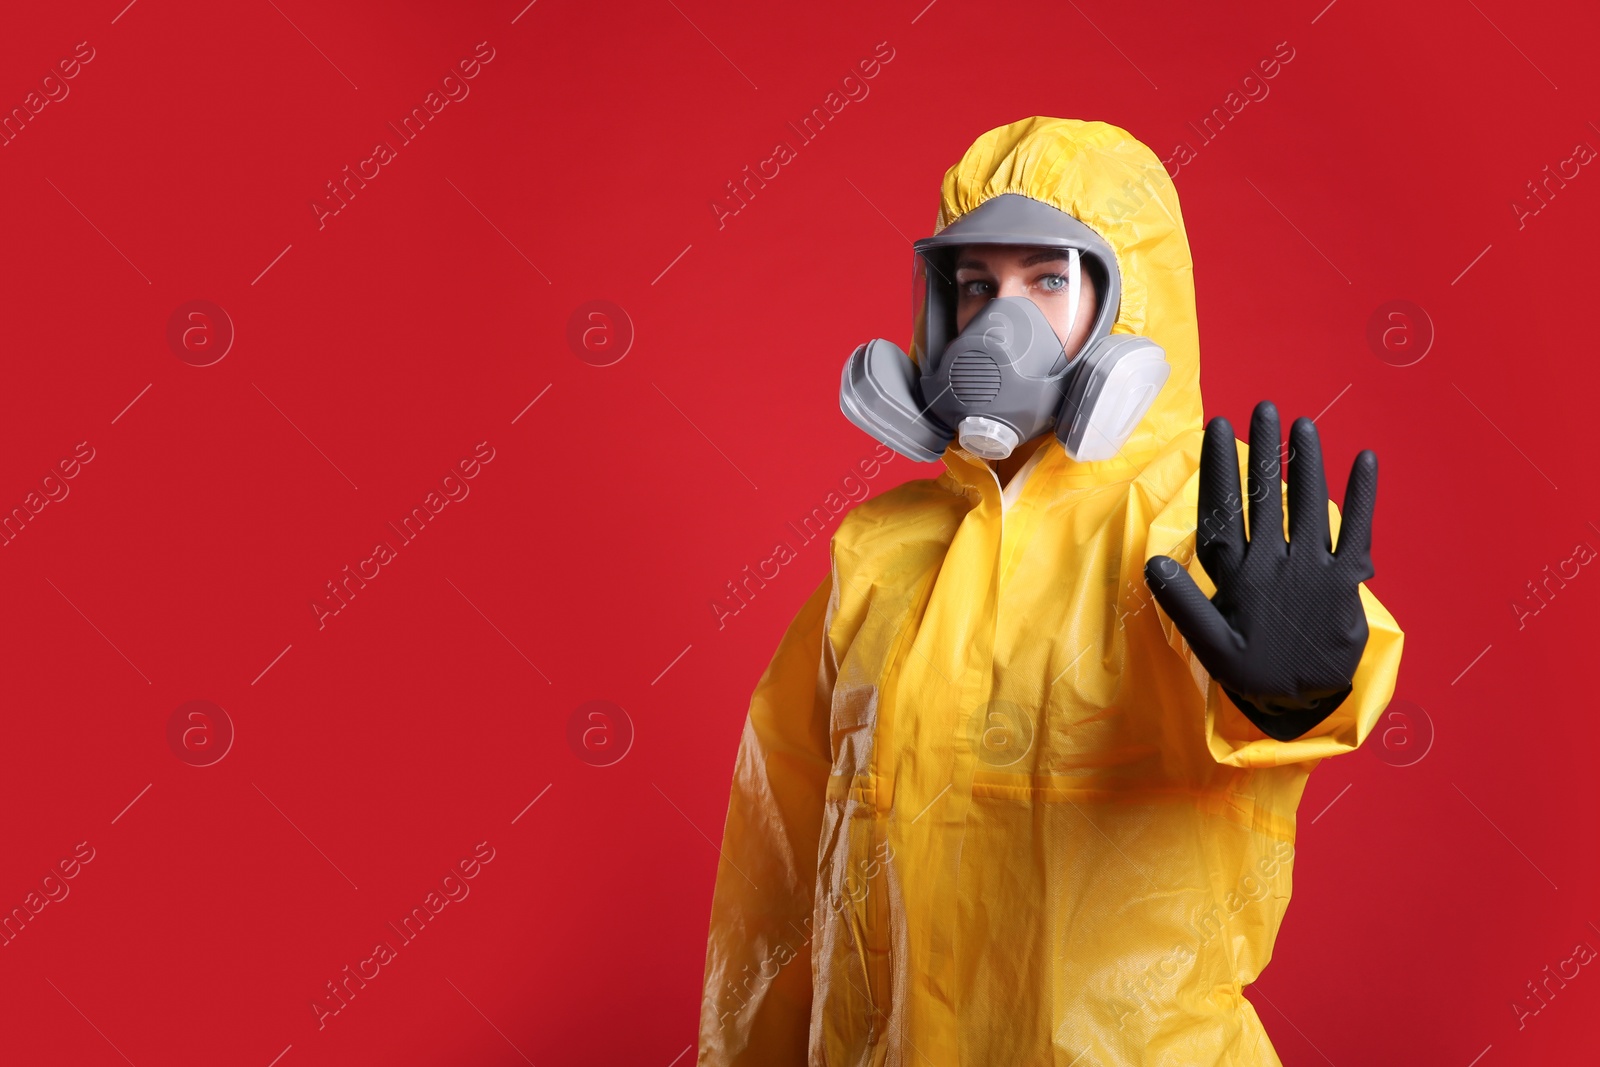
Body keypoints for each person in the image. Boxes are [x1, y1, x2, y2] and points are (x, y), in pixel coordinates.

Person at [697, 116, 1403, 1066]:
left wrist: (1305, 693)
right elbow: (777, 865)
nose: (999, 323)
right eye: (976, 284)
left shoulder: (1207, 522)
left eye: (1049, 280)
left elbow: (1325, 667)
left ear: (1129, 306)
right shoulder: (878, 552)